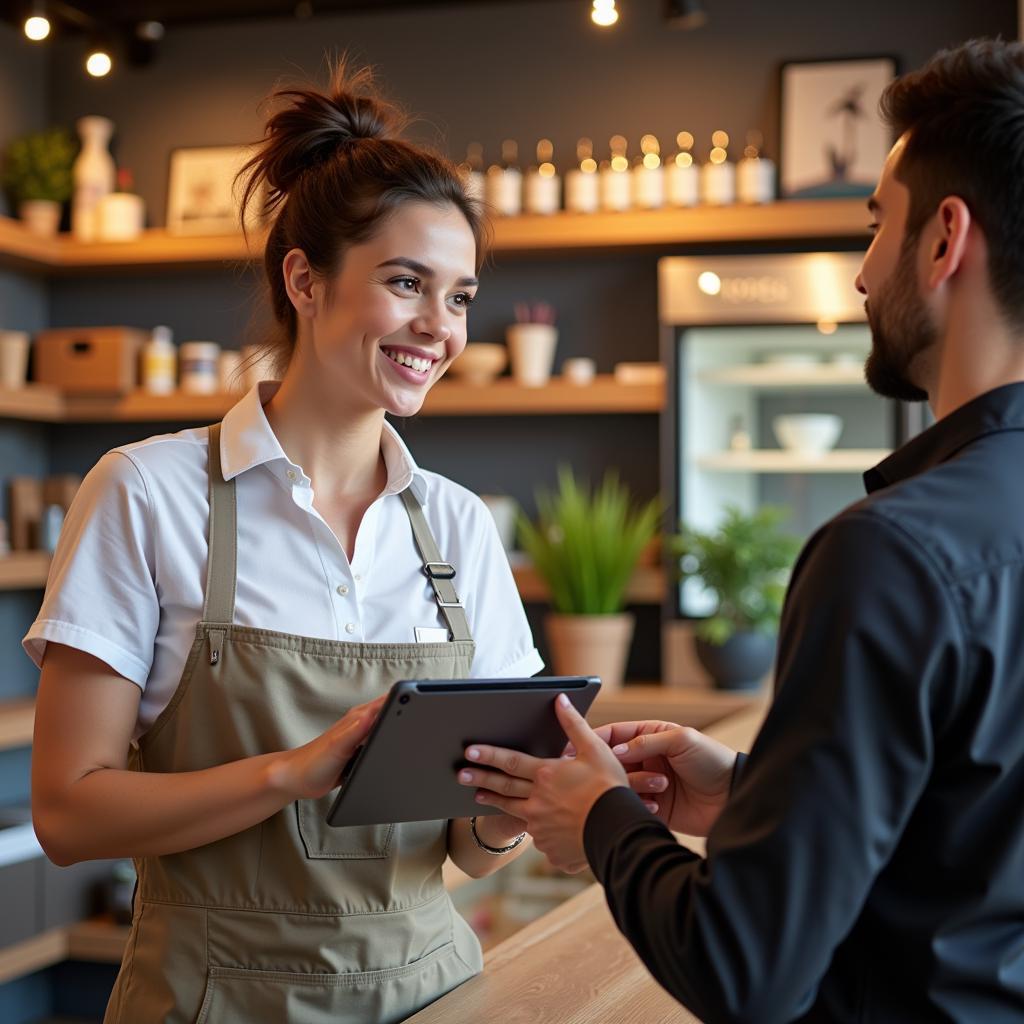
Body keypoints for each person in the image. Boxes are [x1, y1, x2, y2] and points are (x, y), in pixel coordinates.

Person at [461, 38, 1024, 1024]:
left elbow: (745, 970)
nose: (859, 276)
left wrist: (599, 818)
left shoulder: (887, 554)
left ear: (944, 239)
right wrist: (759, 796)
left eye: (873, 225)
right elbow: (972, 829)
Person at [25, 65, 550, 1024]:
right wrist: (288, 773)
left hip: (431, 992)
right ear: (304, 280)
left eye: (461, 296)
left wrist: (515, 807)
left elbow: (470, 850)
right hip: (210, 996)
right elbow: (66, 813)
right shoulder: (148, 492)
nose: (440, 328)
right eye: (406, 284)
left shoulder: (461, 526)